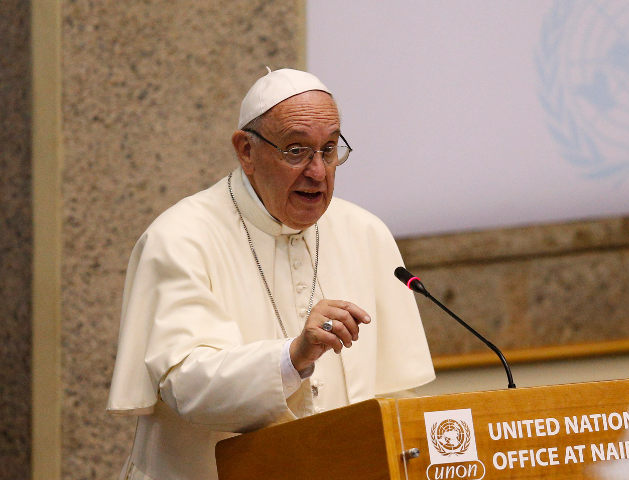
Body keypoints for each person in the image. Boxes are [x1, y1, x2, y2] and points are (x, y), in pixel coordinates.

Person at [107, 68, 435, 480]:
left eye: (329, 149)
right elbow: (186, 384)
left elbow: (391, 397)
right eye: (296, 151)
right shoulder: (179, 238)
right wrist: (292, 357)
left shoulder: (366, 233)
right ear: (246, 150)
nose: (318, 171)